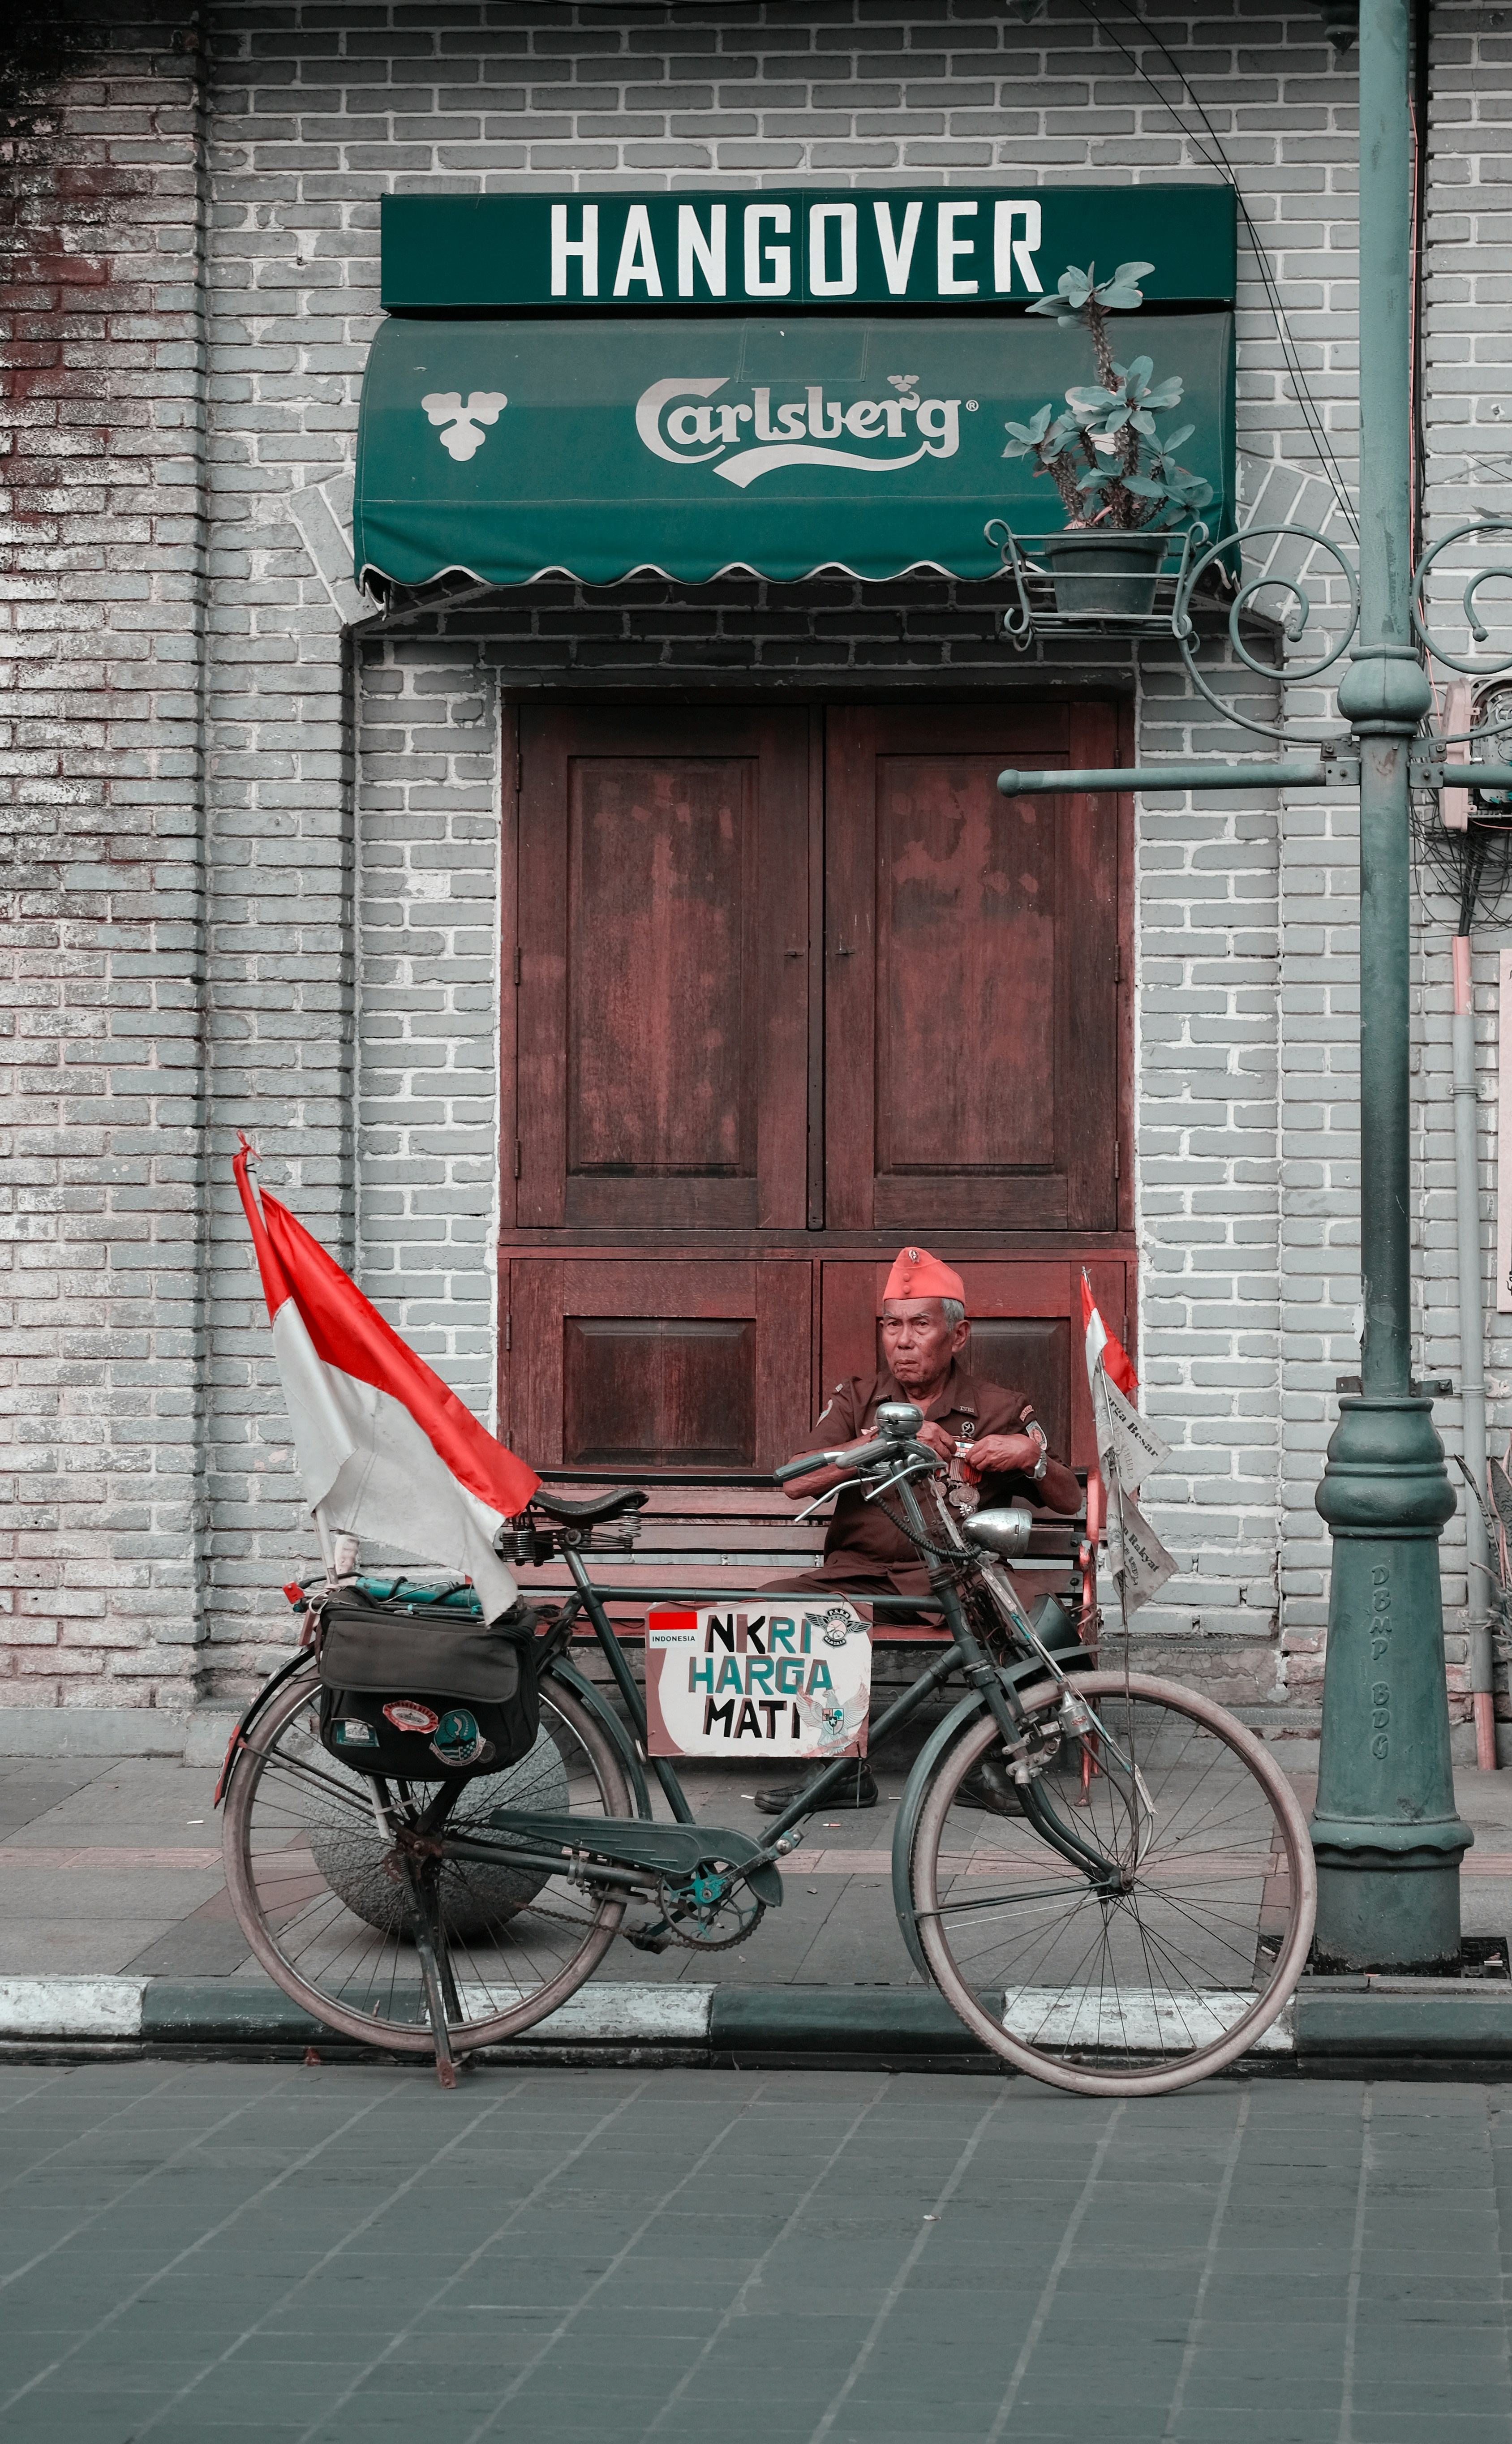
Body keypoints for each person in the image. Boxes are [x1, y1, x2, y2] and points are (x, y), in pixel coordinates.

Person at [752, 1245, 1081, 1816]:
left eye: (920, 1325)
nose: (902, 1341)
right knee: (771, 1610)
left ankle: (996, 1765)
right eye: (892, 1326)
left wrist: (1030, 1458)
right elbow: (797, 1483)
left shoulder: (1000, 1407)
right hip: (861, 1576)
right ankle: (838, 1769)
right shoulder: (858, 1398)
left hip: (960, 1576)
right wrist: (883, 1441)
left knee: (1037, 1619)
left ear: (957, 1336)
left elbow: (1068, 1498)